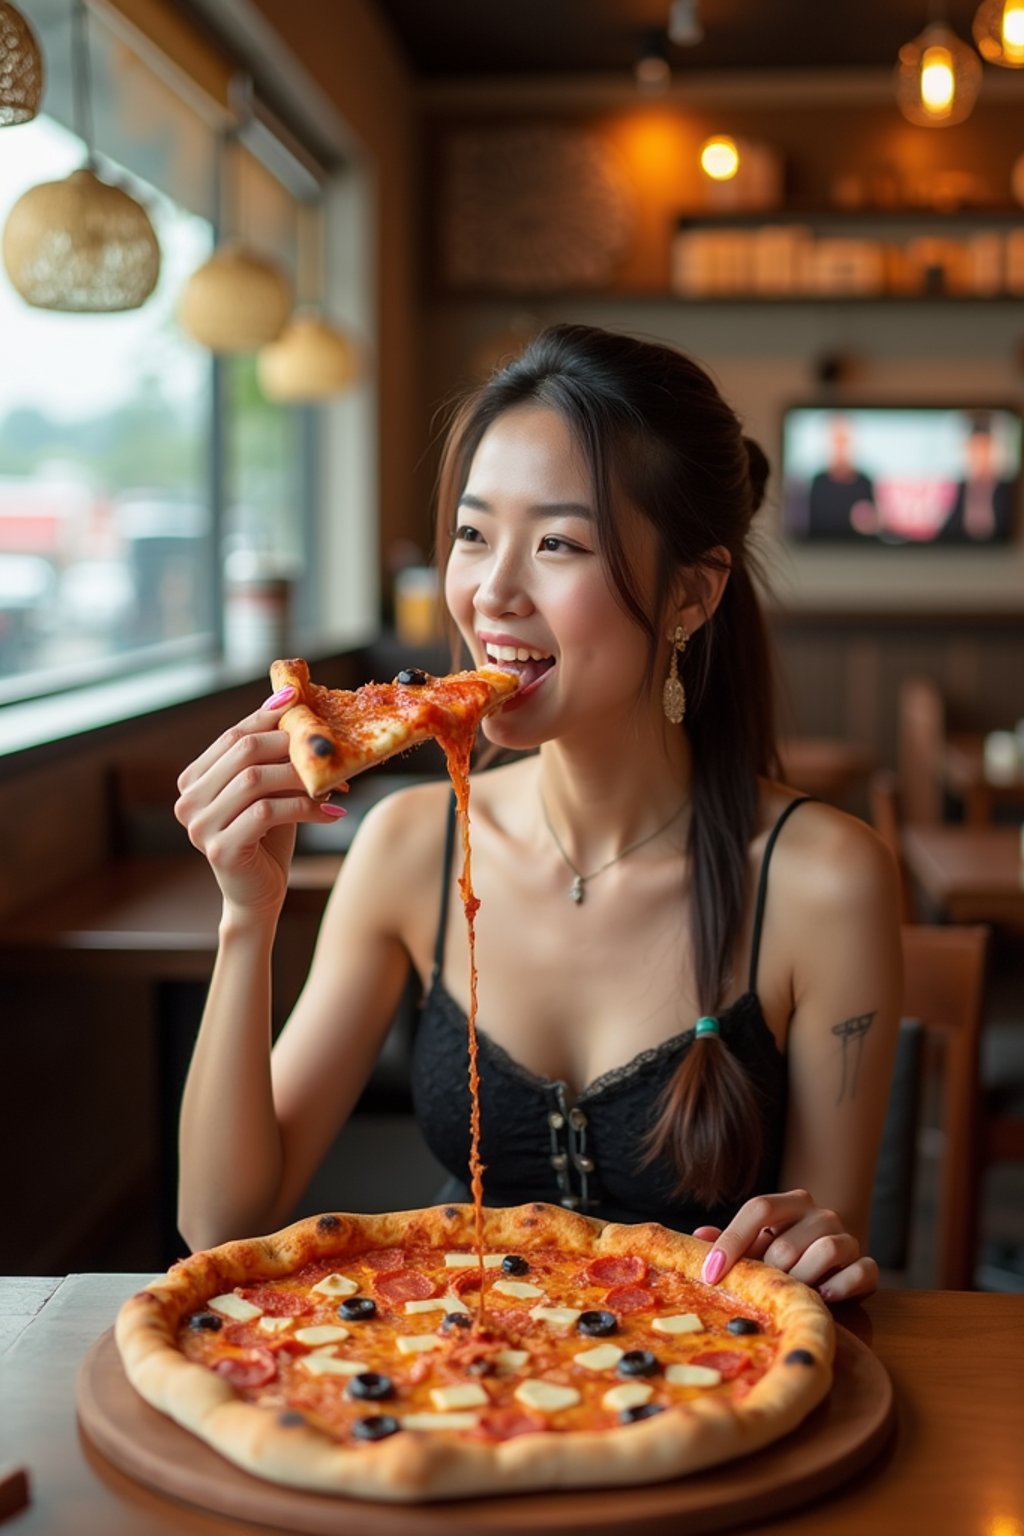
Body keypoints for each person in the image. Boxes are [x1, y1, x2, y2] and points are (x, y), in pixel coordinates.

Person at [175, 324, 902, 1304]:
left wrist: (816, 1244)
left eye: (558, 542)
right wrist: (245, 915)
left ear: (691, 593)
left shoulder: (822, 879)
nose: (490, 594)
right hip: (447, 1382)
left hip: (694, 1392)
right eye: (473, 535)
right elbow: (221, 1221)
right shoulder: (408, 843)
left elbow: (818, 1264)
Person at [806, 415, 879, 540]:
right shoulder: (819, 482)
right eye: (836, 441)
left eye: (844, 441)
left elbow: (873, 527)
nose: (840, 447)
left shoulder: (864, 482)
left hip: (861, 550)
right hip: (822, 550)